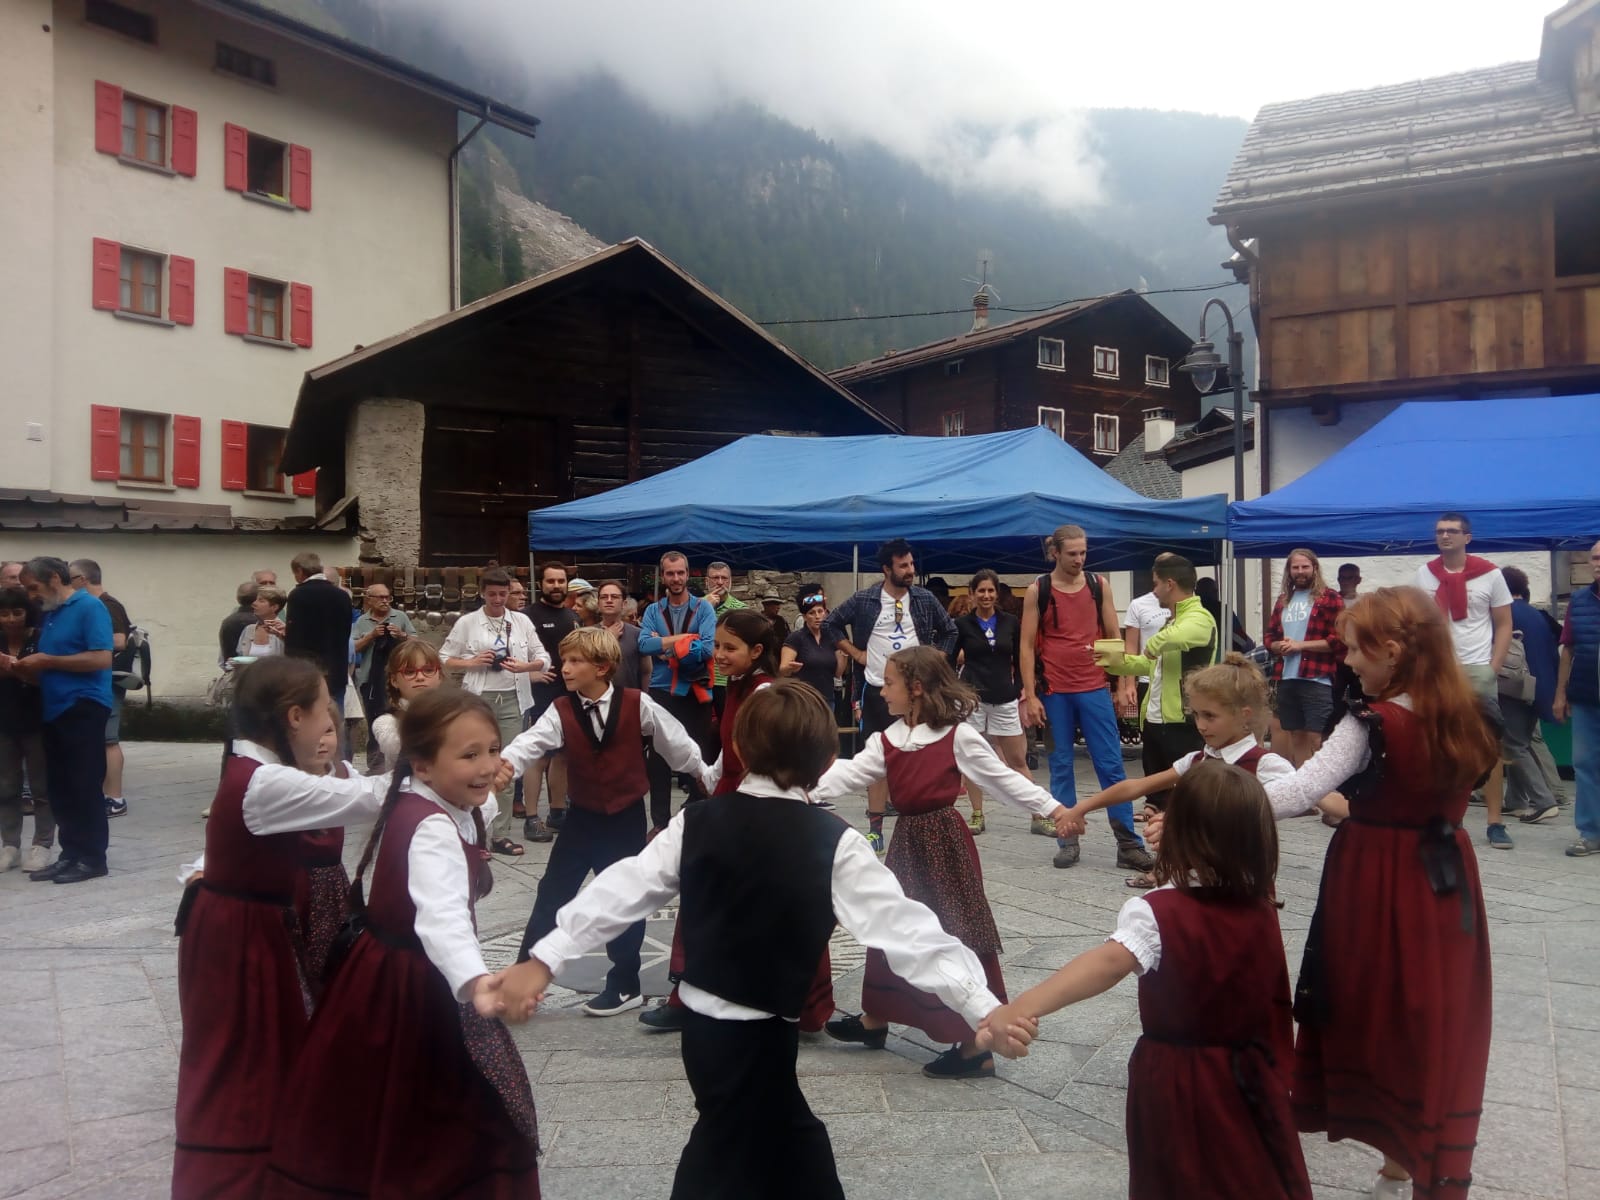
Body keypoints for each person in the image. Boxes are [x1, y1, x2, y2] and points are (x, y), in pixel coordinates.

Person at [497, 681, 1034, 1200]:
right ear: (827, 761)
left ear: (738, 746)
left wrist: (546, 957)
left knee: (770, 1145)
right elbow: (908, 931)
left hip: (704, 1033)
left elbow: (623, 888)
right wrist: (982, 1005)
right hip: (758, 1035)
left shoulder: (696, 821)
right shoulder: (835, 843)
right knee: (748, 1153)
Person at [1259, 586, 1497, 1200]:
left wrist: (1204, 806)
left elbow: (1296, 791)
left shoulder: (1373, 722)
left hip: (1376, 879)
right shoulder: (1468, 713)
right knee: (1429, 1015)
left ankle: (1396, 1153)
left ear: (1392, 651)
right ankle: (1407, 1159)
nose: (1347, 662)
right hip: (1445, 881)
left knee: (1373, 1008)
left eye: (1355, 650)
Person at [981, 763, 1313, 1200]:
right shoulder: (1261, 904)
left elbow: (1105, 965)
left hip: (1180, 1079)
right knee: (1252, 1173)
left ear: (1179, 834)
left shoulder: (1158, 913)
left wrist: (1021, 1007)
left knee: (1180, 1178)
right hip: (1255, 1073)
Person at [264, 689, 539, 1198]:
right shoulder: (431, 827)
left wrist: (494, 774)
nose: (486, 766)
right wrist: (475, 980)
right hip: (413, 984)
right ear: (424, 765)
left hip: (387, 973)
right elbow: (442, 917)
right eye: (469, 755)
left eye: (493, 750)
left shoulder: (428, 797)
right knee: (437, 1106)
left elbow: (480, 797)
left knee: (387, 1102)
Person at [173, 657, 390, 1197]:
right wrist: (440, 763)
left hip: (247, 926)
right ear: (294, 716)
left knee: (263, 1054)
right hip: (239, 937)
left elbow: (353, 787)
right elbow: (367, 798)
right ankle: (233, 1179)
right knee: (241, 1065)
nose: (329, 724)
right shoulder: (263, 781)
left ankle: (277, 1169)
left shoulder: (257, 769)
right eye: (323, 711)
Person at [813, 647, 1072, 1079]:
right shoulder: (888, 739)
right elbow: (849, 774)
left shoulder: (958, 736)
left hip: (945, 844)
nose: (882, 690)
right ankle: (876, 1017)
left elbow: (1001, 779)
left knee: (959, 931)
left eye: (890, 683)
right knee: (891, 922)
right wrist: (795, 789)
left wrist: (1053, 808)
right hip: (908, 844)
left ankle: (975, 1046)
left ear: (916, 689)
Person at [497, 627, 712, 1019]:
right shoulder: (561, 709)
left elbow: (675, 741)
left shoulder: (637, 703)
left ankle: (625, 983)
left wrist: (703, 774)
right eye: (564, 660)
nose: (565, 668)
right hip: (581, 818)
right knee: (552, 893)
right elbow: (531, 742)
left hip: (624, 818)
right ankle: (521, 979)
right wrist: (505, 765)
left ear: (602, 667)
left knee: (624, 900)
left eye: (575, 661)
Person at [643, 609, 796, 1032]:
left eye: (731, 647)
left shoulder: (764, 693)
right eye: (717, 646)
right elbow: (731, 750)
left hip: (749, 809)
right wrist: (711, 776)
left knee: (722, 898)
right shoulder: (740, 686)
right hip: (731, 800)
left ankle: (750, 993)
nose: (720, 655)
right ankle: (692, 991)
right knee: (709, 895)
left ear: (757, 651)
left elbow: (764, 761)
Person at [1066, 654, 1315, 847]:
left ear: (1244, 715)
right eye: (1195, 715)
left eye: (1209, 716)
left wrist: (1179, 823)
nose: (1200, 725)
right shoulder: (1198, 759)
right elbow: (1137, 786)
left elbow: (1291, 799)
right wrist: (1082, 807)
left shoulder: (1266, 765)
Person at [1020, 526, 1155, 872]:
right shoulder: (1039, 590)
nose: (1079, 559)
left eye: (1083, 552)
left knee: (1111, 765)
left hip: (1093, 687)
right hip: (1055, 691)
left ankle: (1128, 844)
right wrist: (1031, 695)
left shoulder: (1098, 585)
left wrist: (1122, 683)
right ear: (1055, 553)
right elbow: (1026, 645)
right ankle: (1067, 840)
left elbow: (1113, 635)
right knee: (1060, 766)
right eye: (1072, 554)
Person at [823, 539, 958, 854]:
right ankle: (875, 831)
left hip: (917, 692)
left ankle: (924, 826)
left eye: (911, 564)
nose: (910, 570)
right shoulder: (865, 599)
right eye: (903, 566)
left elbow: (950, 631)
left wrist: (934, 661)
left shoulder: (923, 598)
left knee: (923, 753)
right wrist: (856, 653)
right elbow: (831, 624)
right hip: (876, 688)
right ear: (886, 569)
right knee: (878, 756)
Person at [8, 558, 113, 884]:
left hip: (83, 705)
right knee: (61, 787)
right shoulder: (52, 613)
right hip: (54, 707)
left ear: (55, 578)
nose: (31, 596)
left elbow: (101, 657)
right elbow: (51, 667)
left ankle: (92, 858)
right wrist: (20, 668)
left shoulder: (90, 607)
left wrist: (47, 660)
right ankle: (70, 854)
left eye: (33, 588)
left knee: (83, 783)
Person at [1413, 512, 1515, 849]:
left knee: (1487, 744)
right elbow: (1417, 623)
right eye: (1440, 531)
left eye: (1452, 531)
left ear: (1467, 537)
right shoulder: (1424, 574)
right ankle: (1441, 814)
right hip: (1438, 670)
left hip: (1477, 668)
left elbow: (1504, 623)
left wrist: (1493, 667)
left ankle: (1495, 821)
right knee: (1436, 742)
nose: (1445, 536)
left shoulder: (1490, 574)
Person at [439, 568, 546, 857]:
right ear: (482, 594)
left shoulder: (521, 621)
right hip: (479, 699)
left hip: (514, 698)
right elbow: (444, 658)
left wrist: (524, 667)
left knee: (505, 765)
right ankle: (472, 833)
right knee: (474, 765)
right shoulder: (467, 622)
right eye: (492, 594)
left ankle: (500, 833)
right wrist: (473, 662)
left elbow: (542, 658)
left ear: (509, 593)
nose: (498, 599)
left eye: (502, 593)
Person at [638, 551, 718, 832]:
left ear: (688, 573)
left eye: (680, 572)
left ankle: (697, 817)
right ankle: (659, 823)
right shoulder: (653, 610)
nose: (676, 578)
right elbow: (643, 645)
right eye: (670, 573)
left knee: (699, 753)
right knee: (658, 756)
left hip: (695, 690)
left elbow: (706, 649)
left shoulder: (704, 609)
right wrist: (685, 640)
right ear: (663, 576)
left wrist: (665, 647)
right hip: (662, 690)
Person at [950, 569, 1030, 835]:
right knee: (973, 759)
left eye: (990, 590)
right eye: (981, 591)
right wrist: (953, 691)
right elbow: (950, 660)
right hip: (972, 698)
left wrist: (1020, 687)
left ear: (997, 593)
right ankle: (977, 813)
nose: (986, 595)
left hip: (1004, 696)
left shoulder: (1010, 622)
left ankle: (1039, 813)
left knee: (1017, 759)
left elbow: (1021, 657)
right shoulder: (962, 624)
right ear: (972, 593)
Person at [1264, 549, 1345, 768]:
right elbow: (1269, 637)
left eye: (1305, 567)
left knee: (1318, 737)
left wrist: (1300, 646)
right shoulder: (1283, 600)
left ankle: (1324, 784)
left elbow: (1340, 639)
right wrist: (1278, 646)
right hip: (1286, 677)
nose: (1300, 572)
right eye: (1295, 567)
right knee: (1296, 736)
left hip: (1317, 678)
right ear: (1289, 571)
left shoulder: (1330, 597)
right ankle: (1303, 781)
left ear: (1315, 568)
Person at [68, 560, 132, 820]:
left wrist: (81, 643)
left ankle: (115, 799)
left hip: (110, 681)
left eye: (70, 578)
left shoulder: (107, 604)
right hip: (97, 681)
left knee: (109, 740)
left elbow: (119, 640)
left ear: (83, 579)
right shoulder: (94, 604)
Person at [522, 563, 580, 840]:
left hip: (570, 694)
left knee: (563, 754)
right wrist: (530, 675)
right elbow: (514, 653)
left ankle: (557, 812)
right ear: (540, 584)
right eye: (550, 581)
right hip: (540, 696)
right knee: (539, 756)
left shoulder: (573, 616)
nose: (556, 586)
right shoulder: (526, 617)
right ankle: (531, 818)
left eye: (561, 581)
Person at [1499, 566, 1561, 824]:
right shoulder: (1536, 614)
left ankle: (1544, 801)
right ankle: (1516, 800)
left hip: (1515, 687)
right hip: (1541, 687)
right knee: (1520, 740)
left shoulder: (1505, 613)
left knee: (1514, 744)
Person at [0, 586, 54, 873]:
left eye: (17, 612)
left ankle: (42, 844)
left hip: (37, 721)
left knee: (41, 787)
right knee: (6, 787)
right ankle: (10, 845)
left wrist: (16, 670)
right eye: (4, 613)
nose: (10, 619)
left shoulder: (41, 639)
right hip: (4, 723)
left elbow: (48, 679)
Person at [1555, 538, 1600, 858]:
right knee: (1585, 765)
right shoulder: (1579, 600)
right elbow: (1568, 649)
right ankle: (1590, 832)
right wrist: (1560, 693)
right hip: (1585, 696)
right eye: (1595, 558)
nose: (1598, 563)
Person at [284, 553, 355, 712]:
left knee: (310, 716)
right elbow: (346, 632)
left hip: (308, 672)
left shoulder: (298, 595)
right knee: (335, 715)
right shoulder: (342, 596)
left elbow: (295, 639)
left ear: (299, 571)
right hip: (337, 669)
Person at [351, 581, 416, 749]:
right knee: (374, 721)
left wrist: (401, 635)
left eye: (388, 597)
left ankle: (398, 754)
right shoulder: (362, 621)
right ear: (369, 599)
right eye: (381, 597)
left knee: (399, 721)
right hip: (369, 681)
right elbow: (353, 648)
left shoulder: (400, 617)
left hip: (398, 681)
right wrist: (371, 636)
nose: (385, 601)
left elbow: (416, 642)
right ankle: (374, 759)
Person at [368, 639, 444, 770]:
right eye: (409, 672)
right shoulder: (385, 721)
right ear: (394, 680)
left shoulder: (456, 715)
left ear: (440, 676)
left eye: (428, 670)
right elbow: (396, 747)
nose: (420, 677)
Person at [1121, 565, 1172, 728]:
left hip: (1176, 679)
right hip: (1147, 678)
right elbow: (1130, 646)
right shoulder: (1138, 604)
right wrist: (1129, 683)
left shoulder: (1187, 604)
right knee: (1149, 729)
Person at [782, 587, 847, 706]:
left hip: (827, 699)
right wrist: (790, 668)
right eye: (811, 613)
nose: (817, 616)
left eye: (820, 611)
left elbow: (838, 673)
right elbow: (783, 670)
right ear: (804, 616)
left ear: (825, 612)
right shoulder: (796, 638)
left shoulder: (831, 637)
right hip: (804, 700)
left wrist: (844, 655)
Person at [703, 561, 747, 717]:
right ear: (706, 581)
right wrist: (706, 608)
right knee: (699, 727)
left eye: (724, 578)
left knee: (729, 724)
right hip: (700, 678)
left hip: (728, 679)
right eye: (715, 578)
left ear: (730, 581)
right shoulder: (696, 605)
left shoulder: (741, 610)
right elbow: (687, 635)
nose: (720, 582)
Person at [598, 579, 650, 689]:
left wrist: (643, 695)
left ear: (624, 604)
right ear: (598, 603)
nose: (609, 600)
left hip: (630, 696)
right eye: (604, 597)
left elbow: (646, 671)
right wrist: (608, 640)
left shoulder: (638, 634)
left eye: (614, 597)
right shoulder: (587, 634)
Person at [1194, 576, 1256, 654]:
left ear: (1196, 593)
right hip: (1222, 656)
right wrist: (1249, 647)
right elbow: (1240, 638)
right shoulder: (1223, 610)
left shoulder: (1191, 612)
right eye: (1214, 591)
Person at [236, 585, 289, 658]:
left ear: (274, 607)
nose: (254, 603)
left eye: (261, 601)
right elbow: (240, 656)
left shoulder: (283, 632)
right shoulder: (249, 630)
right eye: (255, 600)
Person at [218, 581, 258, 667]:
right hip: (253, 670)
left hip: (232, 669)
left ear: (237, 598)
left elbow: (224, 654)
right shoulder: (260, 621)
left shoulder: (228, 621)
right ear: (258, 598)